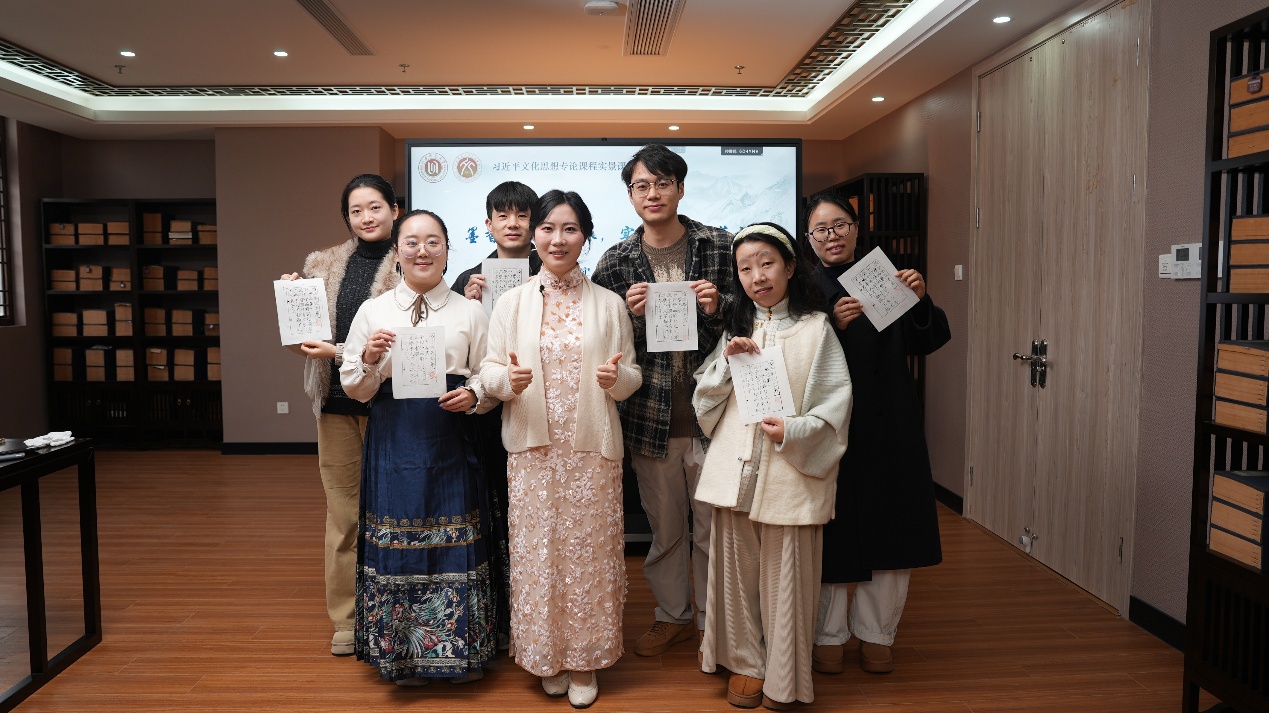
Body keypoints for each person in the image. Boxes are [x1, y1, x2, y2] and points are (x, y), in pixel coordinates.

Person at [481, 190, 641, 709]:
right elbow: (488, 370)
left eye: (569, 229)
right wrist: (506, 380)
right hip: (532, 452)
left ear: (585, 237)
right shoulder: (511, 302)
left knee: (588, 556)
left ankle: (585, 660)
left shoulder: (610, 304)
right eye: (548, 228)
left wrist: (617, 379)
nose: (557, 239)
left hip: (591, 452)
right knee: (539, 556)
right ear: (535, 235)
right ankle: (544, 654)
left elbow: (632, 374)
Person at [694, 222, 852, 710]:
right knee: (737, 576)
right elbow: (705, 404)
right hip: (736, 473)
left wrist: (793, 431)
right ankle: (746, 662)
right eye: (745, 268)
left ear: (789, 266)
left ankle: (784, 674)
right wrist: (728, 361)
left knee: (788, 578)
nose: (757, 276)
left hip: (790, 473)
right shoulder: (736, 328)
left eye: (766, 263)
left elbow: (835, 405)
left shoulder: (816, 328)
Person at [339, 209, 496, 685]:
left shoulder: (470, 311)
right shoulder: (374, 310)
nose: (422, 251)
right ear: (397, 251)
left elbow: (489, 372)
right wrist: (369, 359)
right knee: (397, 539)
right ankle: (401, 657)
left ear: (448, 250)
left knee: (454, 539)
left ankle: (459, 656)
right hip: (394, 442)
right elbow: (354, 388)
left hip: (452, 439)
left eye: (433, 242)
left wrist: (476, 394)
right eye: (411, 242)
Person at [800, 192, 950, 676]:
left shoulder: (885, 279)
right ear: (809, 238)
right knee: (831, 527)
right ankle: (827, 634)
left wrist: (920, 298)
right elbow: (793, 359)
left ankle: (877, 633)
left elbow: (929, 340)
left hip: (889, 421)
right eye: (821, 229)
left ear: (857, 228)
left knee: (891, 527)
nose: (832, 236)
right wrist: (833, 326)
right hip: (831, 424)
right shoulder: (804, 289)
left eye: (840, 225)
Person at [591, 144, 732, 657]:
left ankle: (715, 623)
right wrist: (628, 317)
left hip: (715, 417)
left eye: (663, 183)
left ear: (680, 188)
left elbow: (755, 316)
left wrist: (720, 305)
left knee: (714, 530)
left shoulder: (719, 246)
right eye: (642, 185)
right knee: (666, 530)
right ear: (631, 195)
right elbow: (603, 344)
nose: (653, 193)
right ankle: (672, 616)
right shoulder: (615, 263)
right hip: (650, 420)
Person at [280, 173, 399, 657]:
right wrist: (292, 302)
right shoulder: (321, 265)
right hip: (334, 406)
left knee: (394, 513)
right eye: (356, 210)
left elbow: (409, 344)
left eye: (375, 207)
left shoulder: (413, 259)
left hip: (390, 406)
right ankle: (346, 620)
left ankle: (391, 611)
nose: (366, 217)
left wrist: (339, 350)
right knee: (344, 515)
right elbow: (303, 345)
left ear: (394, 209)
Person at [452, 180, 542, 649]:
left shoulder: (553, 269)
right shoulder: (469, 277)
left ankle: (534, 613)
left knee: (532, 512)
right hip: (487, 412)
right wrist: (466, 305)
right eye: (502, 215)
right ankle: (499, 616)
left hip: (538, 406)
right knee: (494, 507)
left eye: (522, 215)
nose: (513, 224)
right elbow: (456, 349)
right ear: (487, 224)